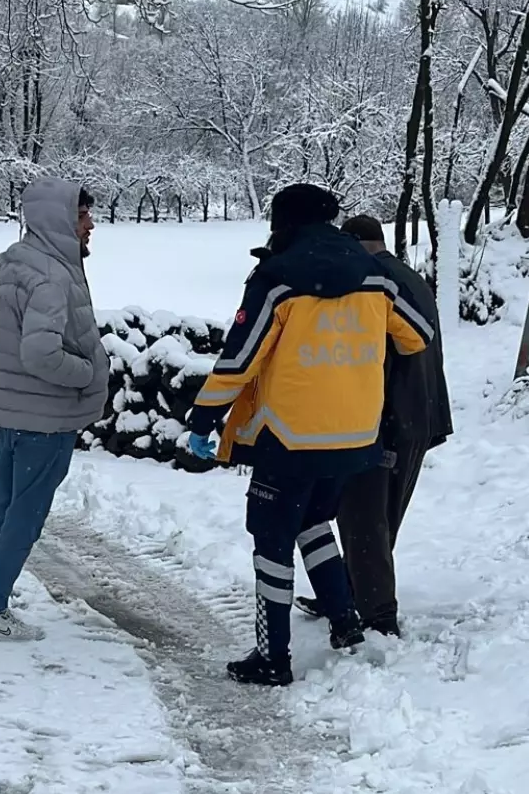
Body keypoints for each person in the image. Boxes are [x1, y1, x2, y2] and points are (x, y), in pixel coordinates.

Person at [187, 183, 431, 687]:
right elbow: (416, 335)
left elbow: (240, 359)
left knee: (270, 540)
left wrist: (204, 418)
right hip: (357, 435)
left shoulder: (276, 280)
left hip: (291, 437)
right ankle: (346, 625)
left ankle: (273, 657)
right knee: (314, 522)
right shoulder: (376, 277)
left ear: (283, 225)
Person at [0, 175, 109, 641]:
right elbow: (41, 354)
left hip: (8, 413)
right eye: (84, 215)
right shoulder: (51, 276)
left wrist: (3, 349)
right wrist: (86, 373)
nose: (91, 225)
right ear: (62, 219)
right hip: (45, 417)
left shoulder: (10, 261)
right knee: (25, 515)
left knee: (5, 506)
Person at [299, 213, 453, 636]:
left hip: (385, 416)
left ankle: (377, 614)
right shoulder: (411, 276)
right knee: (384, 512)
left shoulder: (371, 281)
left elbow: (371, 353)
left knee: (363, 515)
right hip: (422, 413)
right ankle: (351, 591)